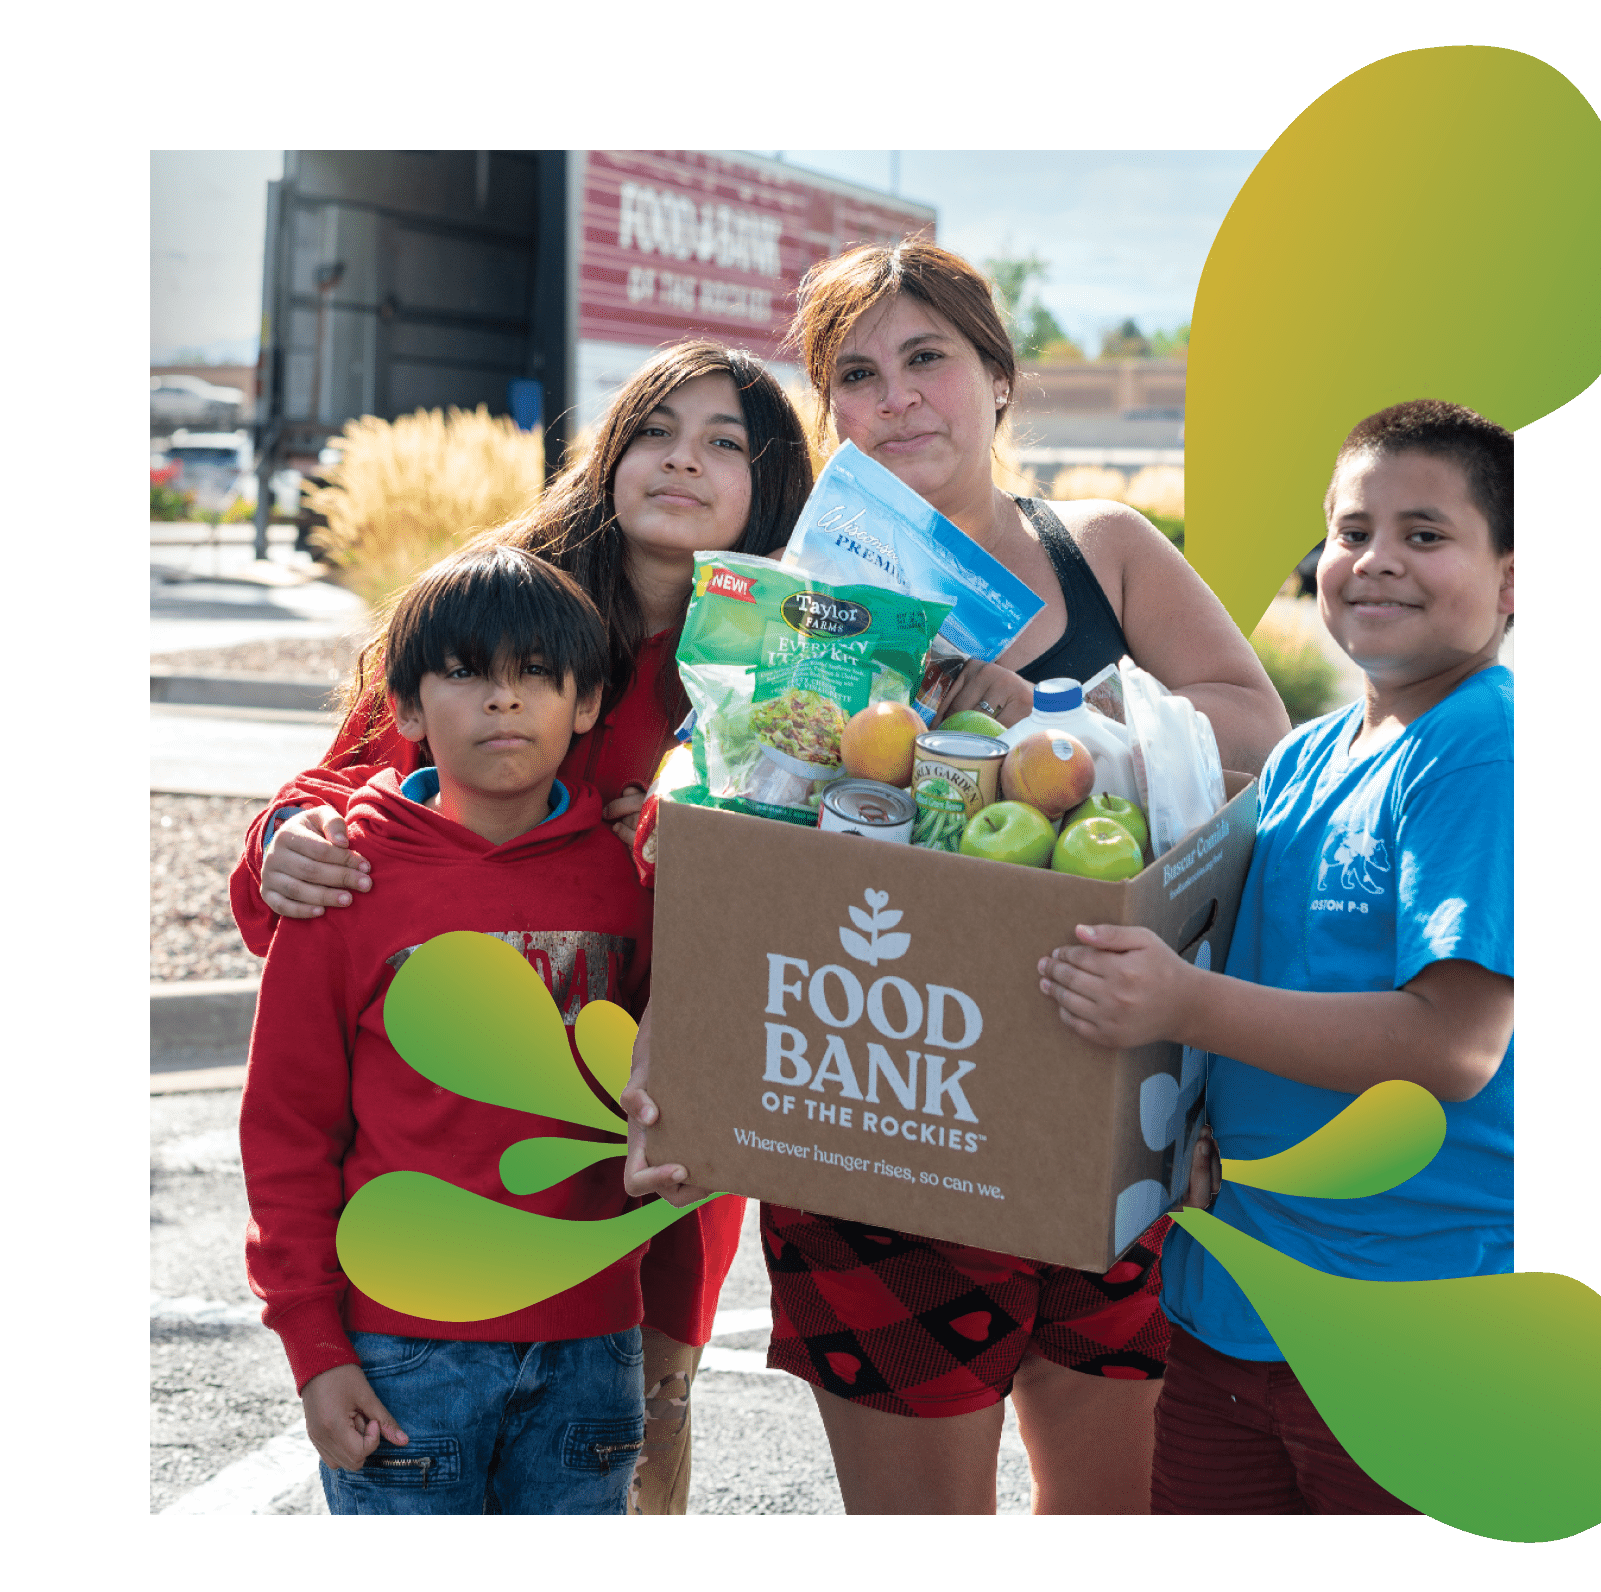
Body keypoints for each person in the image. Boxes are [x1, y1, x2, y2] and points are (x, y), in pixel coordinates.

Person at [624, 239, 1290, 1515]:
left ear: (995, 376)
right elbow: (726, 839)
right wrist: (677, 1043)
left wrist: (1053, 722)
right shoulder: (801, 604)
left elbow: (1254, 726)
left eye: (926, 356)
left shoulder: (1101, 546)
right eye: (857, 375)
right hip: (882, 1119)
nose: (896, 398)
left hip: (1096, 1115)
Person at [228, 340, 814, 1514]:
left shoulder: (790, 663)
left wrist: (704, 842)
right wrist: (287, 834)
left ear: (773, 486)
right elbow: (348, 803)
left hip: (645, 1126)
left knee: (643, 1429)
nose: (682, 460)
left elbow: (823, 892)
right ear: (610, 453)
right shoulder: (504, 610)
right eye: (655, 429)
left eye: (724, 442)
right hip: (446, 1173)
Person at [1037, 400, 1516, 1513]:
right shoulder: (1306, 755)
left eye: (1425, 533)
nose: (1376, 561)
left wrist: (1178, 1001)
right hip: (1232, 1304)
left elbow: (1451, 1041)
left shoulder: (1481, 745)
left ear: (1506, 578)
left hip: (1405, 1320)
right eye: (1351, 532)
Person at [242, 545, 656, 1513]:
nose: (502, 701)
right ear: (409, 710)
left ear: (586, 704)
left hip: (591, 1348)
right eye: (466, 672)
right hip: (400, 1348)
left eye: (536, 675)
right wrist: (313, 1346)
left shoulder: (635, 881)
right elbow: (287, 1129)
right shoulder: (346, 881)